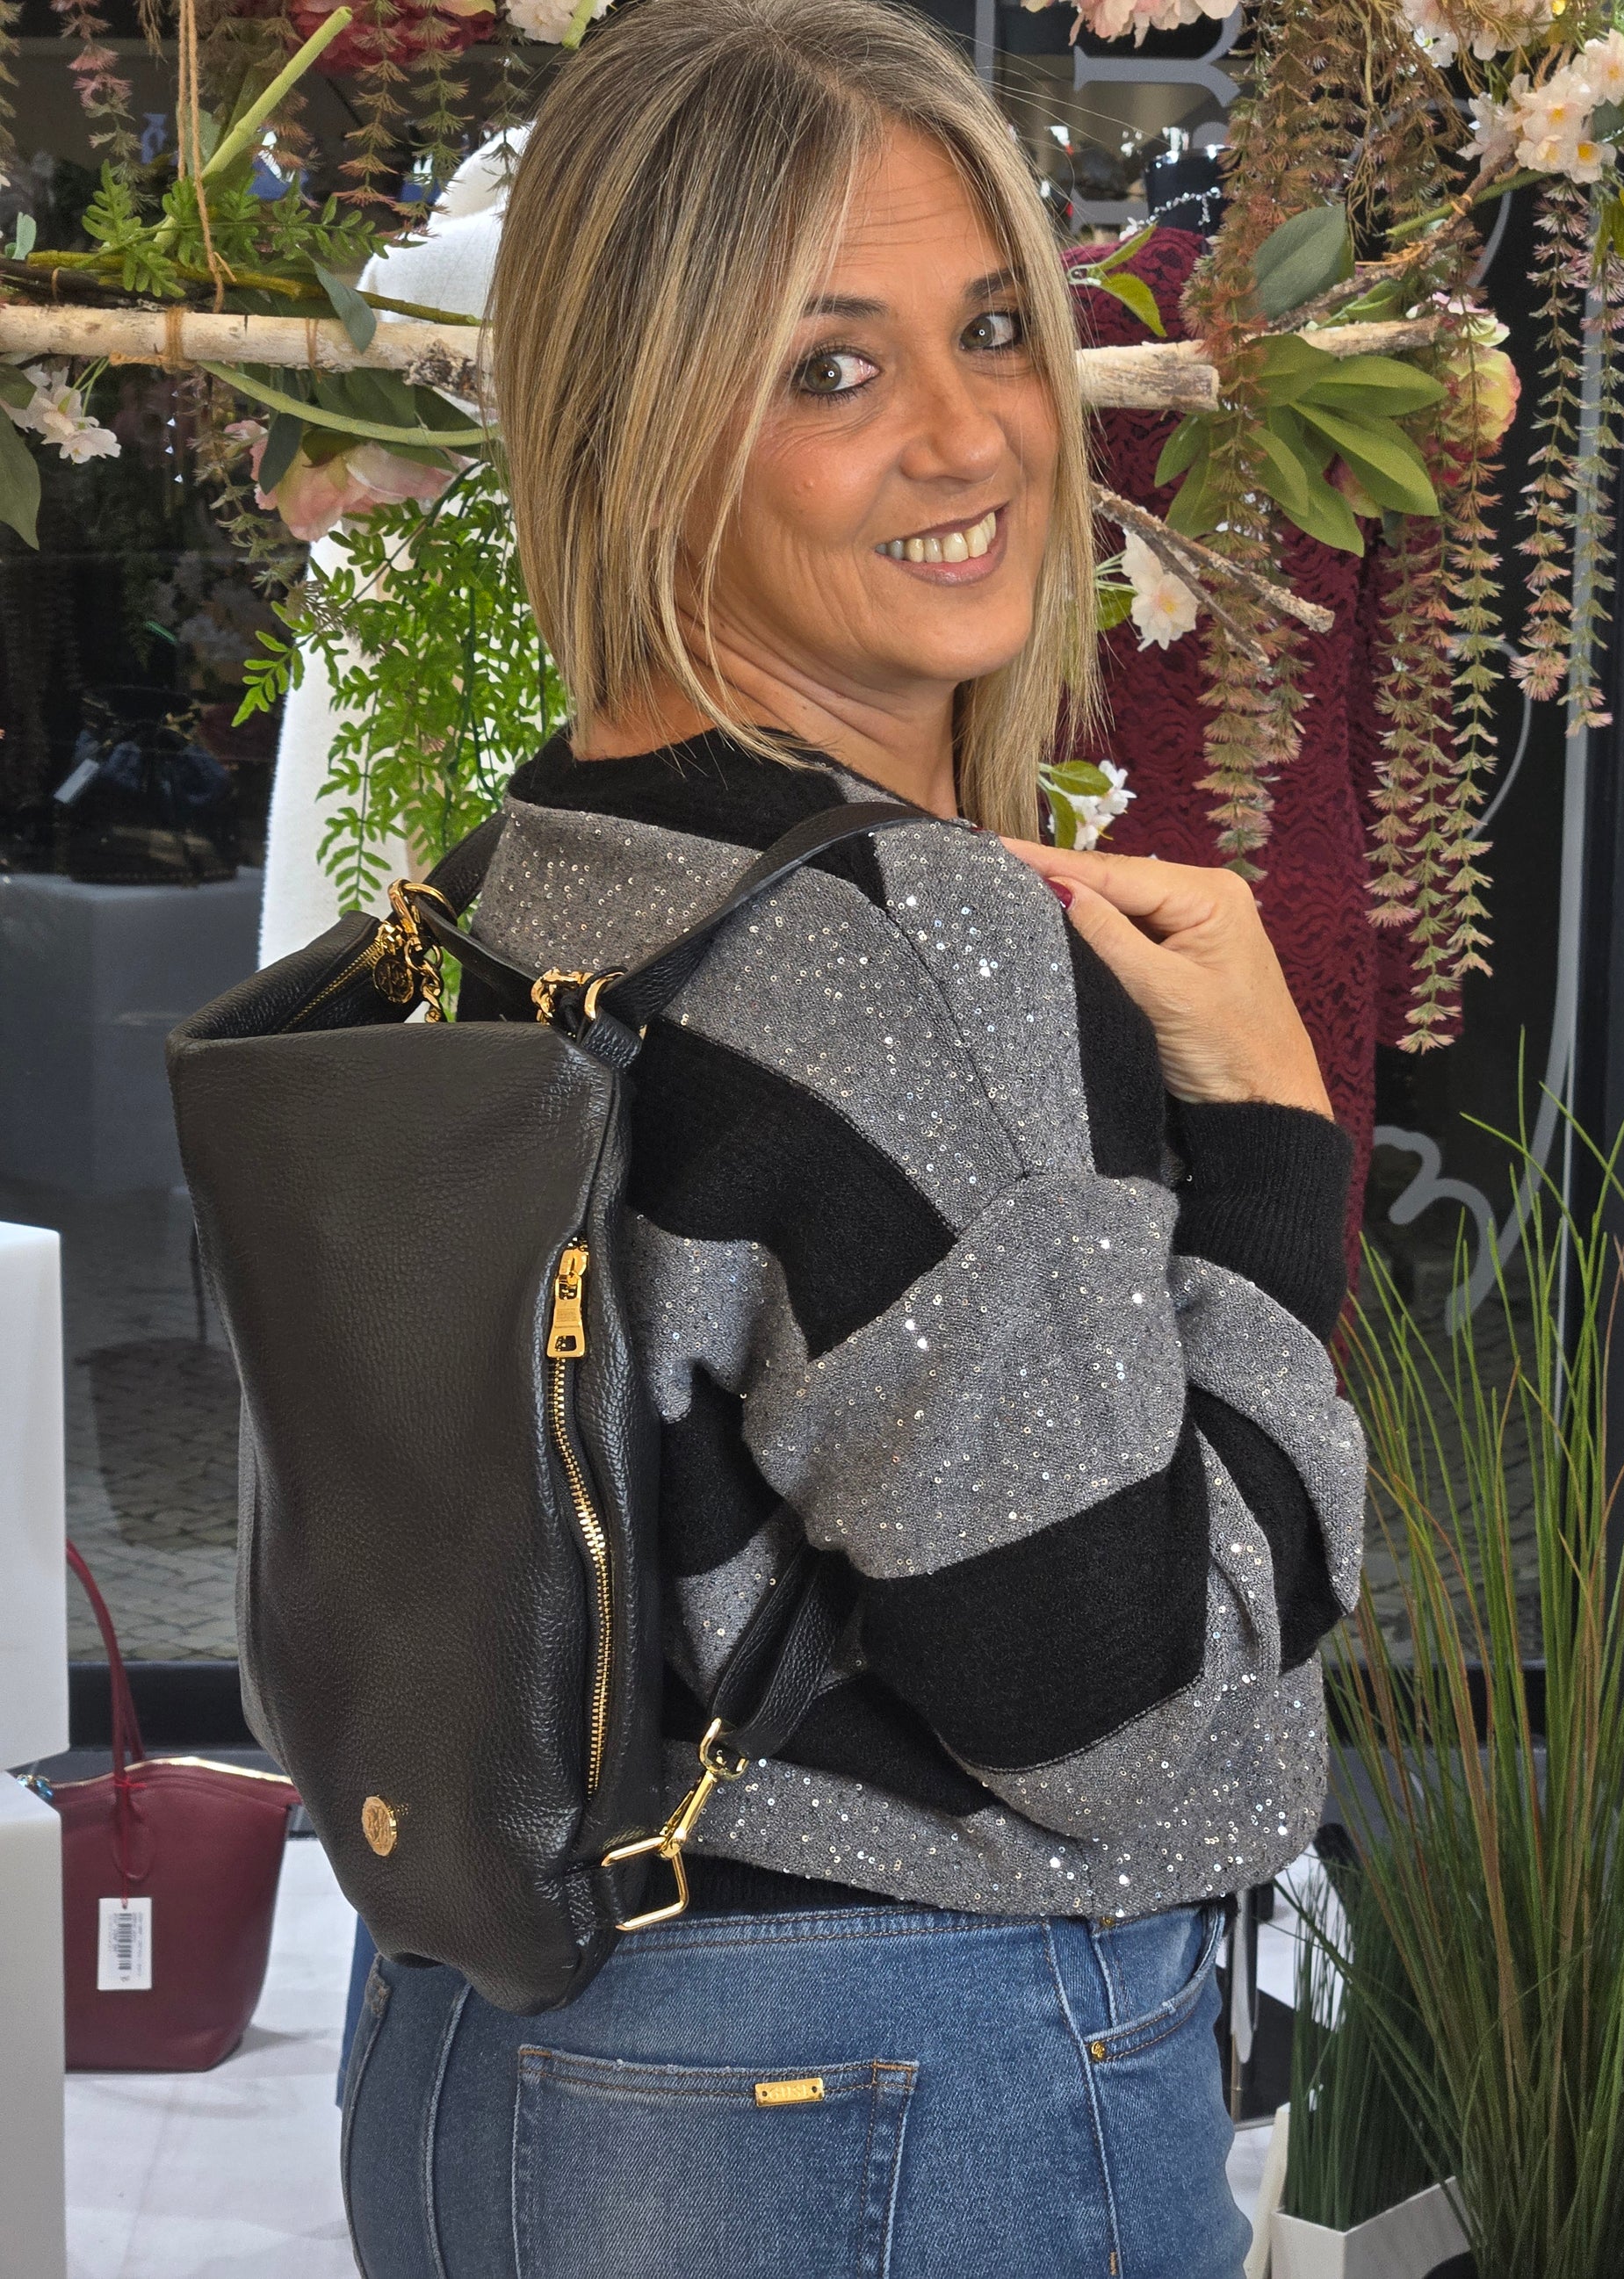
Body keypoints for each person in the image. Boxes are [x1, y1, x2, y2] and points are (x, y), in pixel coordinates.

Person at [340, 3, 1364, 2273]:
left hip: (476, 2044)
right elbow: (1138, 1733)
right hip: (876, 2081)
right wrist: (1276, 1156)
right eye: (829, 366)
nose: (968, 432)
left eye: (994, 328)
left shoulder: (521, 874)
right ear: (644, 422)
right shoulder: (907, 946)